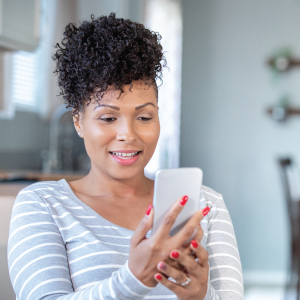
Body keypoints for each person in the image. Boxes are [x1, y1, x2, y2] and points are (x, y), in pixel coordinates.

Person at [8, 13, 243, 300]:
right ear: (79, 122)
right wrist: (132, 279)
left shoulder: (206, 206)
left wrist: (201, 297)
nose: (128, 135)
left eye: (144, 117)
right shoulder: (43, 205)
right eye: (108, 118)